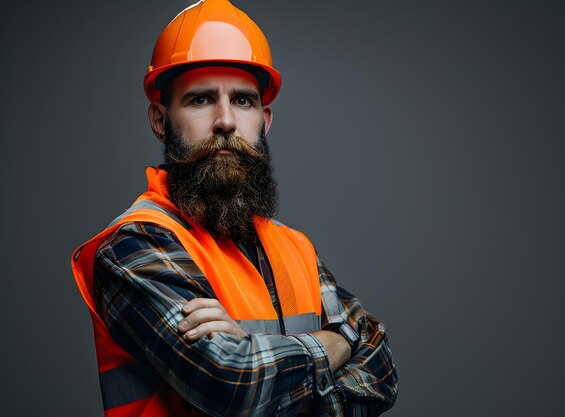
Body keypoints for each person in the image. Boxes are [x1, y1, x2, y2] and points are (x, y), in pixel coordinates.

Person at [71, 1, 398, 416]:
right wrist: (337, 343)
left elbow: (382, 368)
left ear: (265, 119)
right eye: (201, 99)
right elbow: (232, 384)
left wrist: (249, 348)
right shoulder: (133, 248)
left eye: (242, 101)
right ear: (159, 119)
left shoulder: (296, 248)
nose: (225, 120)